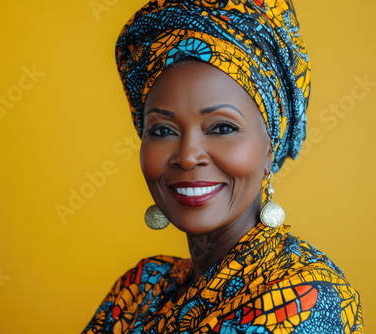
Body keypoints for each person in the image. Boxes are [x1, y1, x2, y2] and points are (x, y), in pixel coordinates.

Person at [82, 0, 364, 332]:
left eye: (222, 128)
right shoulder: (140, 291)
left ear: (269, 150)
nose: (187, 156)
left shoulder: (304, 297)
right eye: (162, 131)